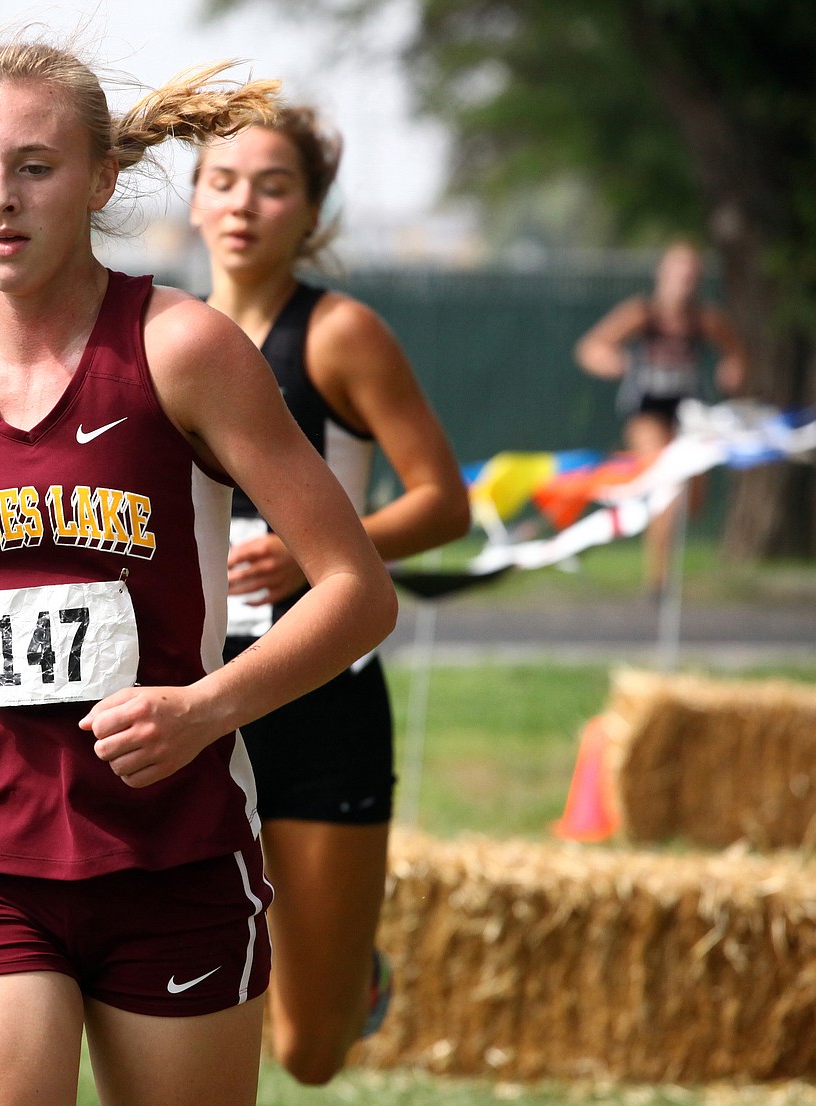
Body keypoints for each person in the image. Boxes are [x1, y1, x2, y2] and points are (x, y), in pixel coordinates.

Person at [0, 33, 398, 1106]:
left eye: (36, 166)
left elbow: (357, 587)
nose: (0, 198)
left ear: (101, 178)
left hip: (176, 860)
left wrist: (207, 708)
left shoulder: (184, 349)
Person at [190, 106, 471, 1085]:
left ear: (310, 211)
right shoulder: (164, 336)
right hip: (192, 702)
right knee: (182, 988)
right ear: (192, 200)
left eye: (273, 185)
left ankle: (352, 972)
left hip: (323, 699)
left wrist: (315, 558)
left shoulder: (340, 332)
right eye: (222, 180)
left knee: (309, 1051)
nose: (244, 204)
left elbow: (444, 502)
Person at [574, 241, 747, 595]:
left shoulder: (705, 320)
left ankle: (654, 513)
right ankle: (658, 580)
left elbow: (735, 352)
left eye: (691, 275)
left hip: (690, 413)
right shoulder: (642, 314)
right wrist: (615, 362)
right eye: (678, 273)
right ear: (663, 275)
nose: (684, 282)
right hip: (647, 412)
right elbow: (591, 348)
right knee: (667, 483)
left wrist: (733, 368)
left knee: (692, 500)